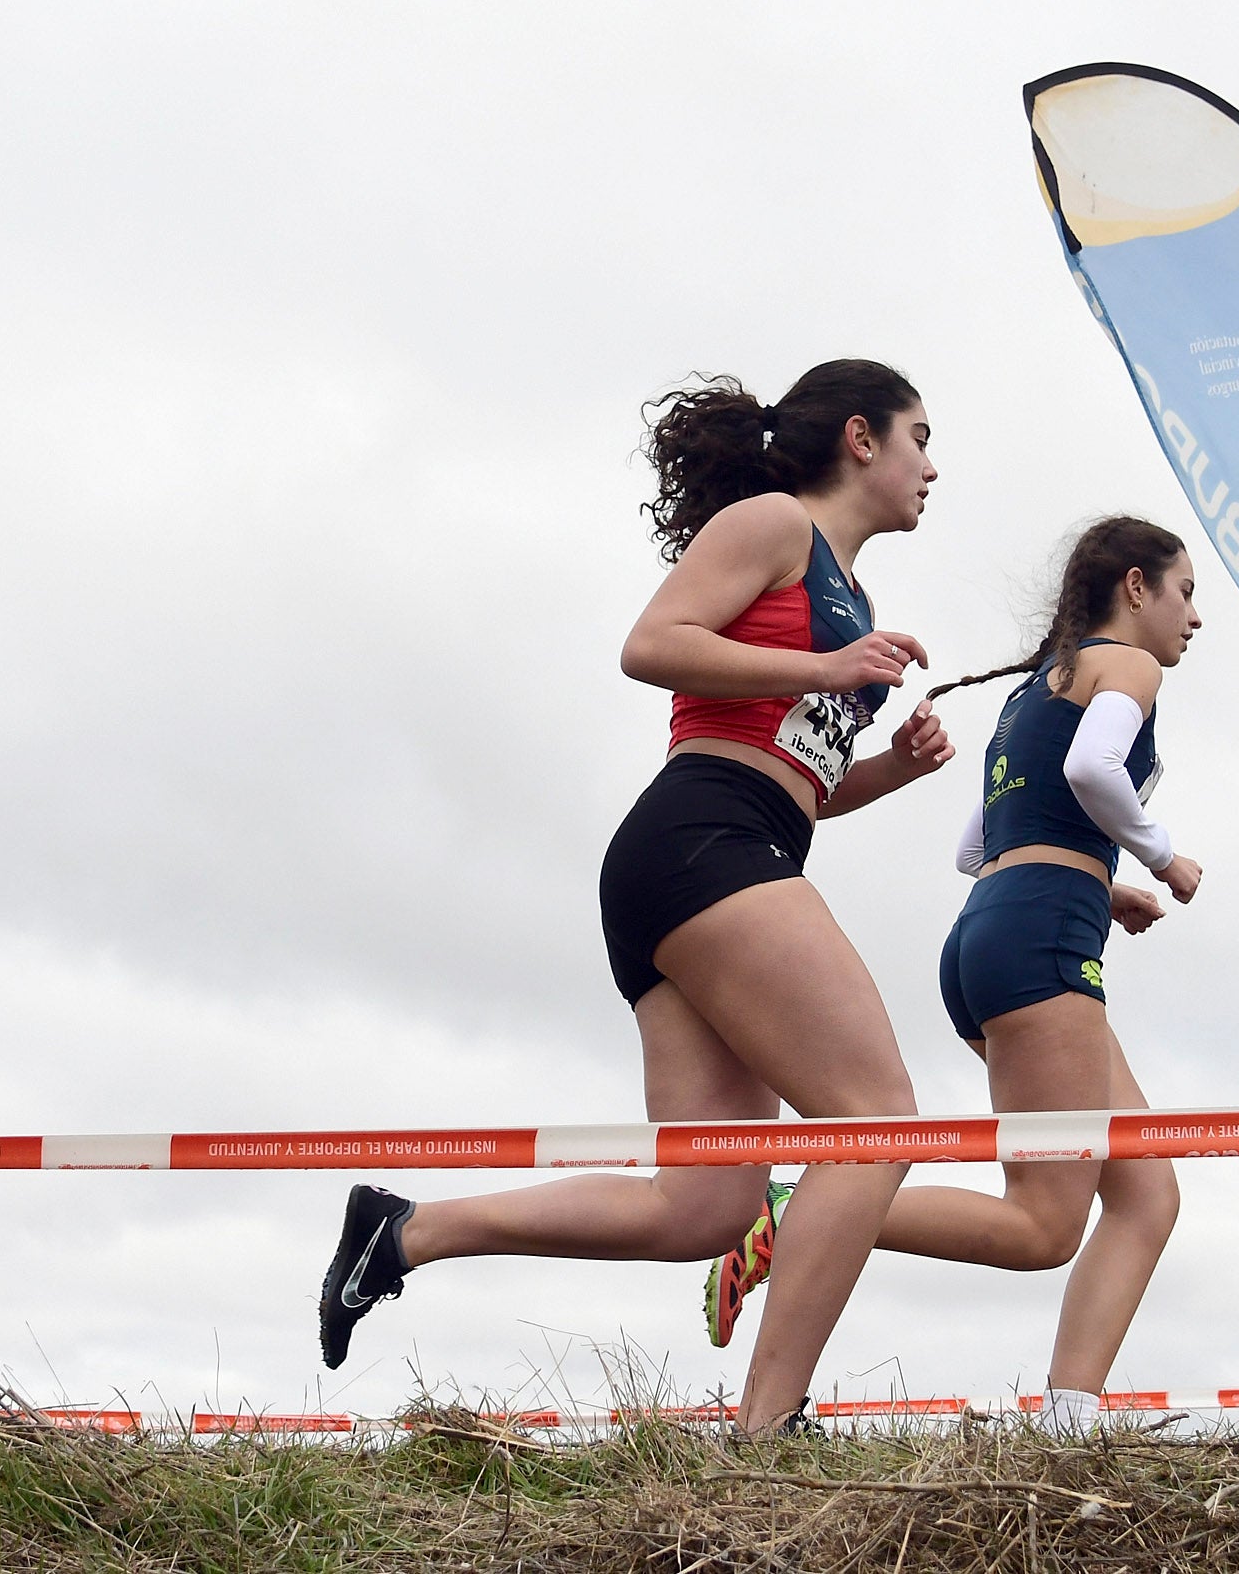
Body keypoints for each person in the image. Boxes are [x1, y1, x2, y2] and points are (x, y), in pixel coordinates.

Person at [316, 361, 954, 1434]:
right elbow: (650, 647)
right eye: (919, 438)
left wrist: (892, 767)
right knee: (877, 1120)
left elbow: (797, 779)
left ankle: (404, 1230)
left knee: (705, 1204)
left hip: (719, 846)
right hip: (701, 839)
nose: (929, 467)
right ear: (859, 437)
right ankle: (765, 1428)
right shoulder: (772, 525)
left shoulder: (851, 592)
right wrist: (827, 663)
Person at [706, 517, 1201, 1435]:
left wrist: (1105, 880)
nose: (1193, 617)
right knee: (1043, 1226)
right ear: (1137, 588)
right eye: (1185, 591)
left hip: (991, 935)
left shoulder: (1033, 690)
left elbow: (978, 846)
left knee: (1145, 1190)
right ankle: (806, 1205)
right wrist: (1161, 857)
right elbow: (1096, 769)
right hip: (1045, 942)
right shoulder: (1130, 667)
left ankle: (1067, 1423)